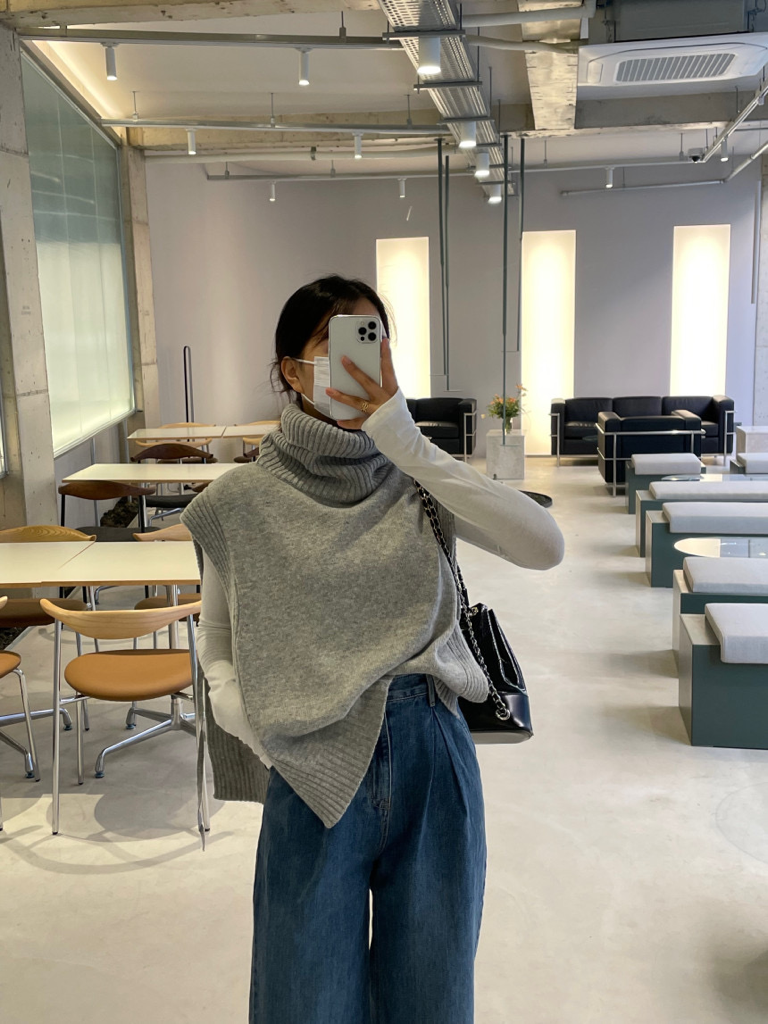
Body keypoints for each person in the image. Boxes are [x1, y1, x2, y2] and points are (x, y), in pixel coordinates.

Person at [182, 274, 564, 1024]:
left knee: (432, 998)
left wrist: (407, 442)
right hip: (308, 758)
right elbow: (217, 640)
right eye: (338, 344)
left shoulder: (421, 478)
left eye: (375, 340)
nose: (364, 359)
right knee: (304, 1001)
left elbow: (544, 545)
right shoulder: (240, 500)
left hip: (432, 748)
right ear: (292, 371)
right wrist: (253, 727)